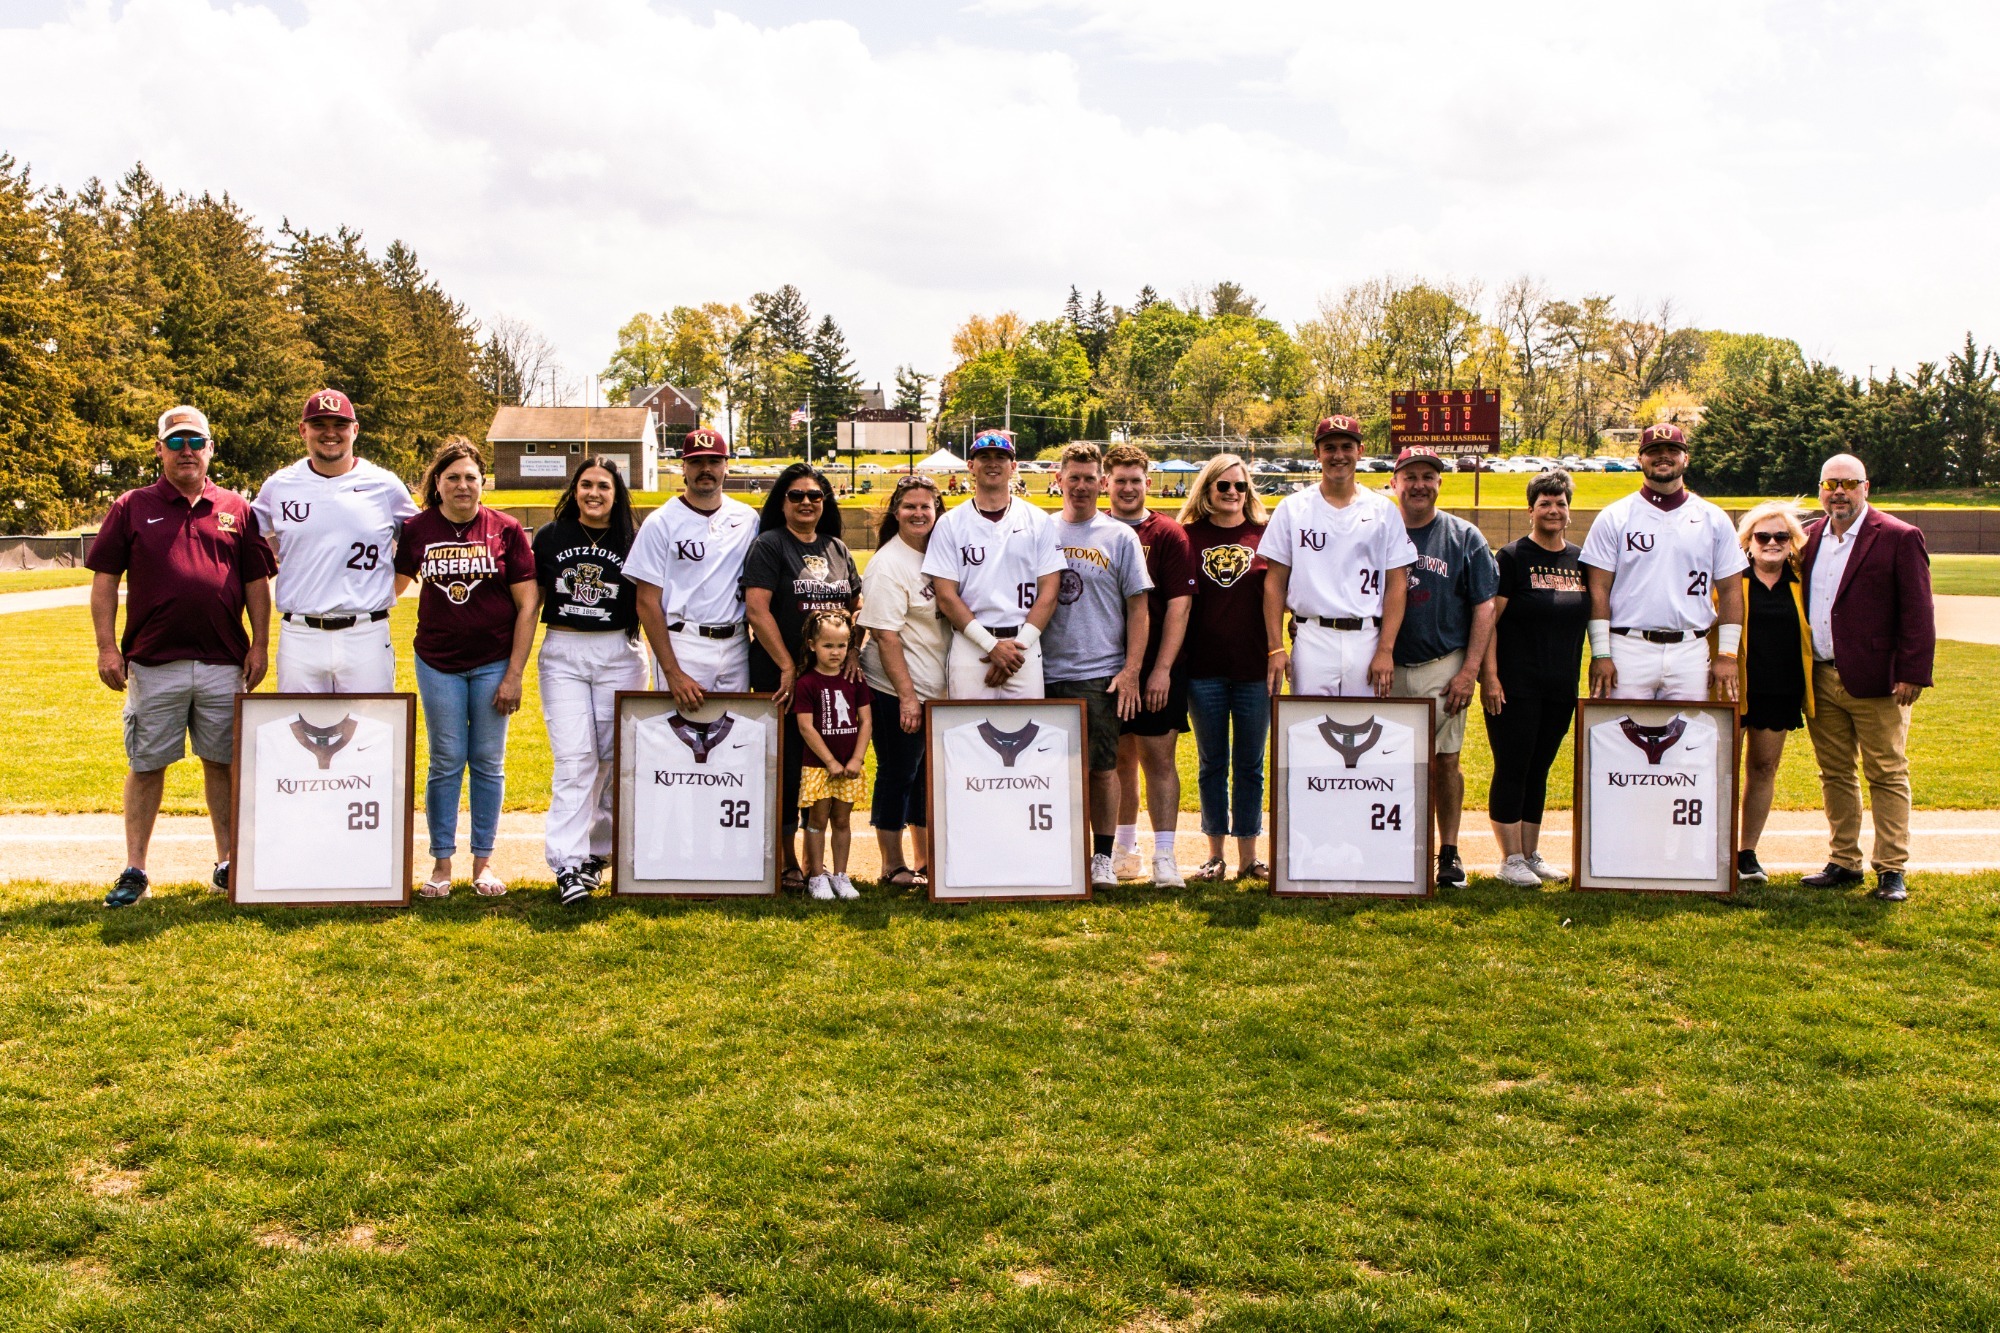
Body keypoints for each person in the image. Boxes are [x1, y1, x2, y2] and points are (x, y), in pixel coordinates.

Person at [88, 405, 276, 908]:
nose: (186, 451)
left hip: (222, 661)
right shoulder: (132, 505)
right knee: (147, 764)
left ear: (211, 447)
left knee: (223, 763)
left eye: (195, 442)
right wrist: (108, 646)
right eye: (175, 442)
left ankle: (227, 862)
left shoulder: (236, 507)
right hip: (154, 661)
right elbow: (105, 581)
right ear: (159, 450)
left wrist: (260, 643)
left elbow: (256, 582)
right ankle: (135, 870)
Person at [393, 438, 538, 898]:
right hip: (438, 662)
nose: (462, 485)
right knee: (446, 760)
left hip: (494, 662)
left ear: (483, 484)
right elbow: (388, 589)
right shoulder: (418, 529)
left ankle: (483, 862)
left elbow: (528, 603)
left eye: (470, 477)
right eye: (452, 477)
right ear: (437, 483)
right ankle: (441, 863)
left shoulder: (506, 529)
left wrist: (514, 674)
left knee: (489, 762)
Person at [1797, 453, 1935, 901]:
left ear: (1866, 487)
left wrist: (1912, 671)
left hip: (1878, 679)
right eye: (1830, 483)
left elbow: (1918, 610)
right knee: (1834, 773)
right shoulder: (1809, 537)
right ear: (1820, 489)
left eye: (1849, 483)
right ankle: (1843, 861)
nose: (1839, 492)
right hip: (1820, 676)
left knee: (1887, 772)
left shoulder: (1898, 536)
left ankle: (1891, 868)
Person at [251, 388, 418, 693]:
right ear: (303, 430)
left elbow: (418, 543)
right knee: (300, 732)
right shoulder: (279, 486)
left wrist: (385, 591)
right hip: (300, 633)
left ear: (355, 430)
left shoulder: (384, 484)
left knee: (371, 731)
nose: (330, 434)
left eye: (340, 425)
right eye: (319, 425)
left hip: (366, 633)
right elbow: (247, 538)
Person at [742, 462, 861, 889]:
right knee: (788, 767)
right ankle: (787, 860)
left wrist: (854, 645)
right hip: (782, 678)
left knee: (820, 762)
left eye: (815, 495)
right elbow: (756, 608)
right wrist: (788, 666)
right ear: (782, 501)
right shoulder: (770, 545)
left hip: (827, 680)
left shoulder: (835, 547)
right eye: (796, 495)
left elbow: (856, 601)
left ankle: (820, 864)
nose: (807, 502)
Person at [1041, 443, 1153, 891]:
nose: (1082, 485)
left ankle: (1103, 857)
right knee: (1048, 769)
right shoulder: (1040, 529)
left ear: (1101, 482)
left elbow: (1139, 608)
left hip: (1098, 670)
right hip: (1043, 669)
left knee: (1102, 768)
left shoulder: (1119, 536)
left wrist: (1130, 671)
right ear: (1060, 479)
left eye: (1091, 478)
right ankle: (1053, 851)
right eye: (1075, 477)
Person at [534, 456, 645, 906]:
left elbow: (650, 604)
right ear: (574, 490)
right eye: (585, 485)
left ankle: (597, 854)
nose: (594, 493)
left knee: (611, 756)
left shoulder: (632, 539)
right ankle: (567, 861)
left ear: (616, 494)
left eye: (603, 485)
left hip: (618, 651)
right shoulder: (550, 536)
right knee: (574, 757)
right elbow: (531, 603)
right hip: (564, 650)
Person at [1387, 445, 1499, 890]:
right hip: (1386, 663)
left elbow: (1485, 606)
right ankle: (1392, 846)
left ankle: (1448, 852)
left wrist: (1469, 670)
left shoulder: (1463, 535)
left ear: (1439, 483)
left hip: (1442, 662)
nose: (1419, 484)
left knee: (1445, 760)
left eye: (1428, 476)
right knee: (1388, 762)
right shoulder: (1378, 529)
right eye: (1410, 476)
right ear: (1395, 482)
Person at [1480, 470, 1591, 888]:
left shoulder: (1580, 559)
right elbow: (1490, 620)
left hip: (1560, 685)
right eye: (1544, 503)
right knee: (1513, 766)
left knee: (1540, 769)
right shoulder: (1511, 557)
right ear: (1531, 510)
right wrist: (1489, 676)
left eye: (1560, 503)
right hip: (1513, 685)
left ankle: (1530, 853)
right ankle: (1508, 858)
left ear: (1568, 510)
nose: (1553, 510)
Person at [1581, 423, 1746, 702]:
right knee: (1620, 737)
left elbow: (1731, 590)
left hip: (1690, 650)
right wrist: (1600, 653)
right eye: (1653, 450)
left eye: (1673, 449)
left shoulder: (1713, 518)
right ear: (1640, 458)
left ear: (1686, 458)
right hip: (1627, 647)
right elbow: (1598, 588)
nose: (1663, 455)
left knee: (1688, 737)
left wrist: (1727, 655)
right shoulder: (1614, 516)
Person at [1263, 415, 1418, 699]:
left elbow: (1397, 585)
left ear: (1360, 451)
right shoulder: (1292, 508)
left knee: (1362, 728)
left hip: (1366, 636)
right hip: (1312, 636)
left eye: (1347, 446)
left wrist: (1385, 649)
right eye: (1330, 447)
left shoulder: (1383, 510)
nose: (1338, 455)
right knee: (1309, 728)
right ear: (1317, 453)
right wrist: (1276, 647)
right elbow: (1274, 583)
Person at [1101, 445, 1197, 887]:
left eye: (1135, 480)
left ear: (1148, 483)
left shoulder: (1169, 534)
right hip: (1104, 666)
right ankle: (1123, 848)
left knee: (1158, 757)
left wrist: (1161, 669)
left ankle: (1164, 855)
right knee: (1118, 758)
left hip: (1157, 665)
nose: (1127, 488)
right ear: (1107, 483)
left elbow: (1179, 608)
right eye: (1119, 480)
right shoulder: (1094, 531)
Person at [1178, 452, 1272, 882]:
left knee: (1250, 765)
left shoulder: (1266, 536)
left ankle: (1249, 856)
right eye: (1224, 486)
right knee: (1212, 762)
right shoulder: (1186, 537)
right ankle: (1214, 854)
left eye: (1240, 486)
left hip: (1255, 669)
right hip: (1203, 670)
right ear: (1207, 489)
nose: (1233, 493)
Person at [924, 430, 1064, 698]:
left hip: (1024, 643)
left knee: (1027, 733)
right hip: (972, 644)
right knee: (968, 732)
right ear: (970, 466)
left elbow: (1050, 593)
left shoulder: (1038, 520)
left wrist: (1015, 649)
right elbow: (946, 596)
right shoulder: (951, 524)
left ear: (1013, 467)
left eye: (1001, 457)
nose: (992, 463)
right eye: (983, 456)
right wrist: (991, 645)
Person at [858, 475, 949, 889]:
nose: (918, 513)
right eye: (909, 506)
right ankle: (891, 864)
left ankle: (924, 858)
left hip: (935, 689)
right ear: (896, 511)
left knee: (925, 776)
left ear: (937, 511)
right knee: (898, 773)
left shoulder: (937, 554)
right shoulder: (889, 563)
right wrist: (908, 699)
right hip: (897, 689)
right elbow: (885, 636)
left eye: (925, 506)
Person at [627, 428, 758, 709]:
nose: (706, 469)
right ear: (683, 467)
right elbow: (647, 602)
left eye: (714, 461)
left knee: (734, 739)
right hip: (684, 641)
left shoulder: (747, 519)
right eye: (697, 461)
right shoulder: (660, 522)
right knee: (681, 740)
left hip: (736, 642)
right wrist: (673, 673)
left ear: (726, 466)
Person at [1733, 500, 1813, 886]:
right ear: (1748, 540)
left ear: (1792, 541)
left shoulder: (1801, 580)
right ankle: (1710, 847)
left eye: (1781, 536)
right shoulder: (1730, 578)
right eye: (1763, 536)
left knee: (1763, 769)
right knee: (1720, 770)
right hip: (1731, 688)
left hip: (1779, 689)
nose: (1772, 542)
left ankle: (1746, 852)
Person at [794, 610, 872, 900]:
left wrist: (856, 759)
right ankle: (816, 876)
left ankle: (840, 875)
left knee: (842, 821)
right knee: (817, 821)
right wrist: (829, 761)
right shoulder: (807, 683)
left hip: (849, 767)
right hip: (819, 767)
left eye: (841, 645)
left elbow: (866, 721)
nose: (836, 652)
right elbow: (805, 727)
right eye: (828, 646)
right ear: (813, 645)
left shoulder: (855, 680)